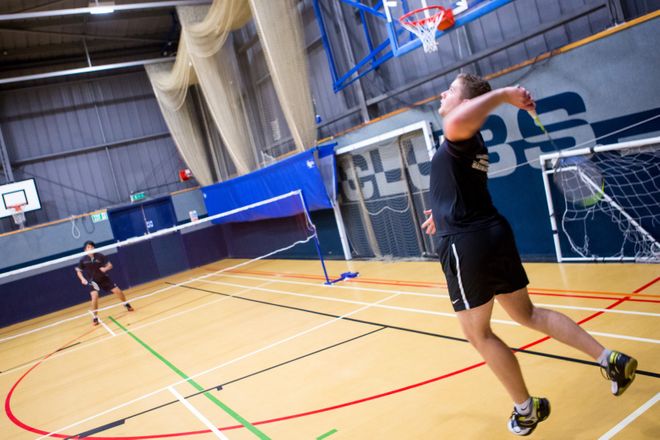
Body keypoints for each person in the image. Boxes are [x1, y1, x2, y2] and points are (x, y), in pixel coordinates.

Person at [421, 73, 637, 436]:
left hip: (466, 243)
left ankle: (526, 409)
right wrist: (440, 212)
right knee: (528, 314)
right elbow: (462, 186)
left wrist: (506, 94)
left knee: (479, 334)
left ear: (465, 102)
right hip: (491, 233)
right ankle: (608, 359)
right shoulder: (470, 142)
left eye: (451, 90)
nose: (443, 93)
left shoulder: (458, 131)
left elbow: (454, 119)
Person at [75, 240, 134, 325]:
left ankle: (126, 304)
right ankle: (95, 317)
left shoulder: (100, 256)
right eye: (88, 247)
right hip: (93, 282)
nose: (90, 248)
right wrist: (82, 279)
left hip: (104, 279)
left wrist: (105, 269)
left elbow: (110, 265)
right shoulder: (83, 260)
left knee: (118, 291)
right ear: (85, 250)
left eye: (92, 246)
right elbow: (78, 271)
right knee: (94, 297)